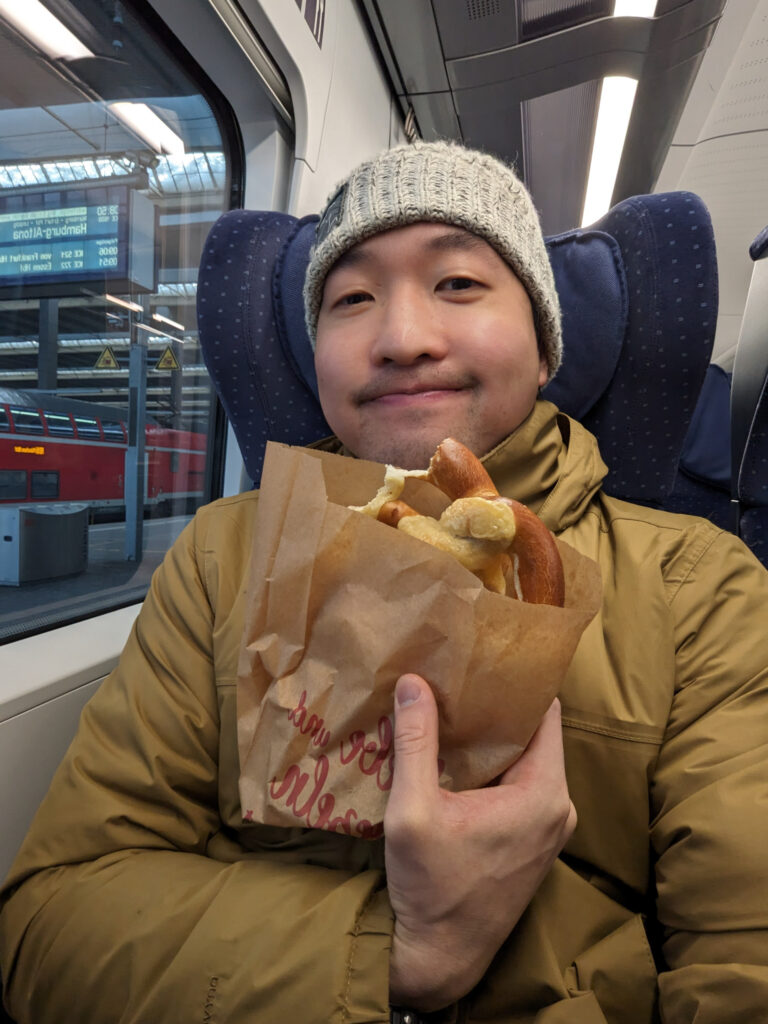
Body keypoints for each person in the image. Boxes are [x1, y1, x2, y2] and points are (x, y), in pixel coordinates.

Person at [1, 141, 767, 1024]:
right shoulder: (221, 557)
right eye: (352, 299)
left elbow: (743, 961)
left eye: (459, 285)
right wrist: (404, 950)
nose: (403, 339)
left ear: (546, 343)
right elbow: (50, 926)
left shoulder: (698, 588)